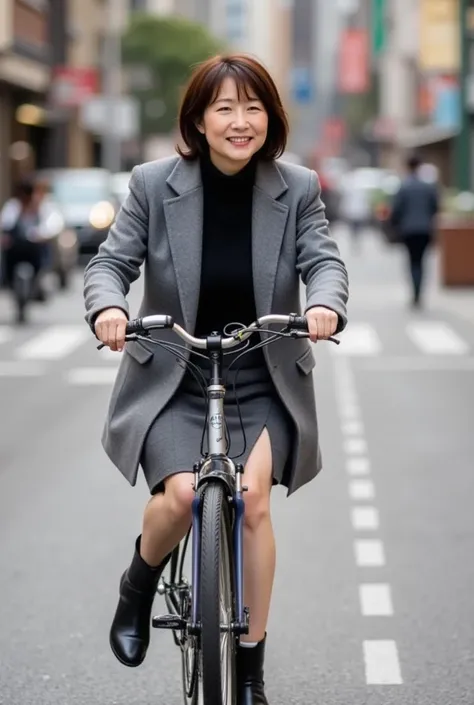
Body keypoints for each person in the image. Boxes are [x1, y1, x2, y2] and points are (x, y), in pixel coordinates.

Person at [83, 54, 349, 703]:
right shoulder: (152, 183)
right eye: (225, 107)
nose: (240, 121)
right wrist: (110, 307)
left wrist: (326, 303)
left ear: (270, 118)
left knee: (252, 501)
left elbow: (325, 259)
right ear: (199, 121)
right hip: (177, 368)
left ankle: (252, 666)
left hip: (261, 370)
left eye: (253, 107)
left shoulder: (298, 187)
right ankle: (138, 583)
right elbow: (110, 261)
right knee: (179, 499)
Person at [390, 154, 439, 307]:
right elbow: (435, 207)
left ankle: (415, 292)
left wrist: (395, 225)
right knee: (422, 261)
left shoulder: (403, 187)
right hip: (425, 229)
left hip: (408, 230)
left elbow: (396, 210)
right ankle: (419, 292)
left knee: (412, 261)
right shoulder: (428, 186)